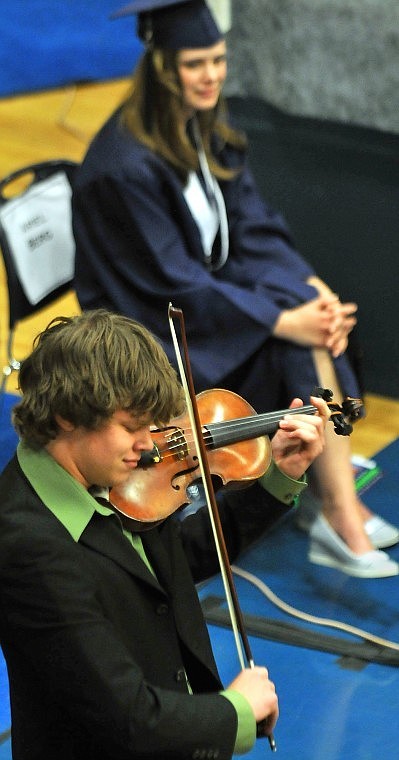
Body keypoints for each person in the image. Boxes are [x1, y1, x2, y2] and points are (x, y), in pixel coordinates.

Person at [72, 0, 399, 577]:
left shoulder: (198, 132)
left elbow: (251, 223)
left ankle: (329, 496)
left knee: (308, 326)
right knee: (297, 341)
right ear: (164, 68)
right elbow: (169, 279)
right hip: (146, 330)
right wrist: (279, 320)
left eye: (219, 60)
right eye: (196, 63)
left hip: (203, 305)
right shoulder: (123, 167)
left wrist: (310, 290)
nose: (212, 75)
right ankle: (337, 512)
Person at [0, 309, 329, 760]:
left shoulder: (110, 479)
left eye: (152, 425)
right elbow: (126, 717)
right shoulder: (27, 547)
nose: (150, 444)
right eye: (131, 427)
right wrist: (234, 712)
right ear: (65, 417)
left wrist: (278, 478)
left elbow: (176, 565)